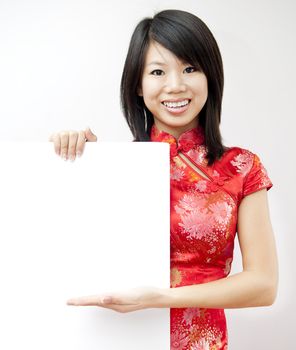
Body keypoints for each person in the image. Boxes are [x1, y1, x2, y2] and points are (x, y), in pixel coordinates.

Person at [49, 9, 278, 350]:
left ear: (210, 77)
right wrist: (76, 161)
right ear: (138, 86)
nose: (176, 85)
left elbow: (263, 285)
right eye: (158, 71)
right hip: (118, 339)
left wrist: (159, 297)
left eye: (190, 68)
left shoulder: (242, 168)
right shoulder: (115, 169)